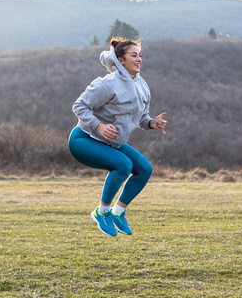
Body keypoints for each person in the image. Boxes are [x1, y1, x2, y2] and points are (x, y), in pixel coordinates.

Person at [68, 37, 168, 237]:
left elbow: (141, 118)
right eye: (134, 55)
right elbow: (79, 106)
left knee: (145, 168)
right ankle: (101, 212)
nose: (139, 59)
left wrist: (151, 123)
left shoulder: (142, 85)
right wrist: (99, 126)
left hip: (112, 143)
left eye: (140, 55)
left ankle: (117, 212)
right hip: (84, 139)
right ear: (121, 60)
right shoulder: (108, 84)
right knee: (123, 165)